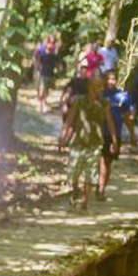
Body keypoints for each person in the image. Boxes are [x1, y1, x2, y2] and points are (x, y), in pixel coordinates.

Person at [59, 75, 115, 211]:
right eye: (96, 86)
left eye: (101, 87)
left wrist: (114, 140)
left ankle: (84, 203)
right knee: (73, 174)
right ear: (89, 87)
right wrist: (63, 137)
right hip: (78, 142)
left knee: (90, 174)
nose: (98, 90)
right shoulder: (79, 101)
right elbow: (70, 119)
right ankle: (75, 192)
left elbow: (110, 122)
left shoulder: (104, 103)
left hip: (95, 144)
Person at [100, 70, 136, 199]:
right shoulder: (99, 94)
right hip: (99, 133)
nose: (111, 82)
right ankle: (98, 188)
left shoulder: (122, 97)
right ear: (103, 80)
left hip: (115, 134)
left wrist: (132, 134)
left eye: (113, 79)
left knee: (107, 162)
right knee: (101, 161)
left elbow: (127, 117)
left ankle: (101, 188)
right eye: (108, 79)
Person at [34, 35, 61, 114]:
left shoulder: (53, 55)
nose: (51, 45)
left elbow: (57, 63)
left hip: (50, 74)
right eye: (49, 43)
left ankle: (43, 103)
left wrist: (58, 69)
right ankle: (41, 106)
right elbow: (37, 59)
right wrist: (37, 68)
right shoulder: (42, 54)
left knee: (47, 90)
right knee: (42, 90)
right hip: (43, 74)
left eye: (52, 43)